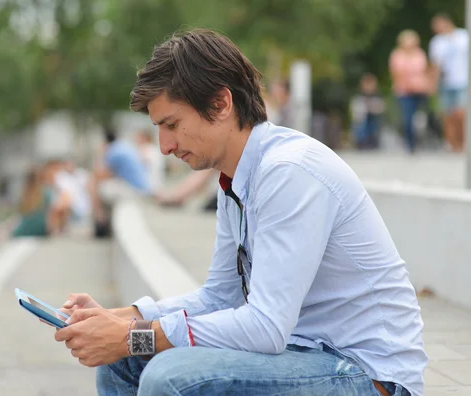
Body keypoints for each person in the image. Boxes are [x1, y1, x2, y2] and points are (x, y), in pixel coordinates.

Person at [54, 29, 427, 396]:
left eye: (172, 124)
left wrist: (131, 337)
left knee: (169, 374)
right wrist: (124, 317)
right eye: (158, 128)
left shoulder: (288, 172)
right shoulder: (236, 179)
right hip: (302, 354)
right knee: (124, 360)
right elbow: (220, 298)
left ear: (221, 104)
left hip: (367, 374)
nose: (165, 146)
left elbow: (265, 327)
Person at [88, 128, 152, 238]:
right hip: (140, 187)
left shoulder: (114, 151)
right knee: (98, 187)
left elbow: (100, 174)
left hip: (135, 190)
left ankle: (100, 223)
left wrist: (100, 154)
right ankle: (102, 223)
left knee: (95, 187)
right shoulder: (123, 146)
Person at [429, 13, 469, 152]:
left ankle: (464, 142)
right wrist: (433, 84)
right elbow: (435, 65)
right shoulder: (437, 42)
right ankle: (451, 144)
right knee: (448, 115)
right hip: (446, 83)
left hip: (463, 81)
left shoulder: (464, 37)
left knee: (461, 114)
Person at [389, 29, 430, 153]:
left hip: (420, 90)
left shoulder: (419, 54)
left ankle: (421, 141)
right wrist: (407, 85)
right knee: (407, 118)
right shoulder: (397, 55)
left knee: (420, 118)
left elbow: (424, 71)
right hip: (404, 91)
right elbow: (396, 73)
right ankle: (410, 144)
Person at [11, 167, 52, 238]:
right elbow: (50, 214)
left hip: (24, 230)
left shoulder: (24, 194)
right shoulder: (46, 192)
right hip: (41, 229)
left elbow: (19, 214)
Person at [350, 73, 386, 150]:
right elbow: (356, 109)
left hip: (374, 117)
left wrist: (373, 108)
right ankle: (361, 142)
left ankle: (372, 142)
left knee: (374, 124)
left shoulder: (377, 96)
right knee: (361, 125)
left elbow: (381, 108)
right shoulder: (359, 96)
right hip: (362, 118)